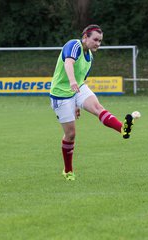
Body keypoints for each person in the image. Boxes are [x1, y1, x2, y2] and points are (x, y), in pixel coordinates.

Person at [50, 24, 140, 181]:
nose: (98, 43)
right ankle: (68, 170)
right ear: (85, 37)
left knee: (98, 107)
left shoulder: (89, 57)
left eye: (100, 41)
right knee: (70, 134)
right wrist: (71, 82)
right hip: (61, 95)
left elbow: (81, 79)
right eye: (96, 40)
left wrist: (77, 104)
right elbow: (68, 63)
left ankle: (123, 129)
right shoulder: (74, 45)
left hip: (78, 88)